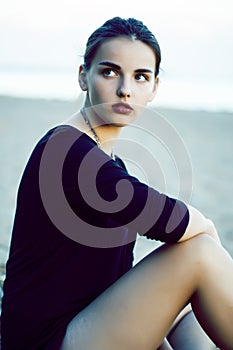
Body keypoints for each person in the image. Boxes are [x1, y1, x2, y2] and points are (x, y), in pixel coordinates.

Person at [1, 16, 233, 350]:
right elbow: (166, 219)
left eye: (141, 77)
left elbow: (116, 277)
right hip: (49, 340)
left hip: (91, 322)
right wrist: (208, 228)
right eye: (110, 72)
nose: (125, 88)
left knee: (187, 298)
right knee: (199, 252)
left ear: (153, 88)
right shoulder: (65, 151)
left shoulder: (106, 161)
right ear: (84, 76)